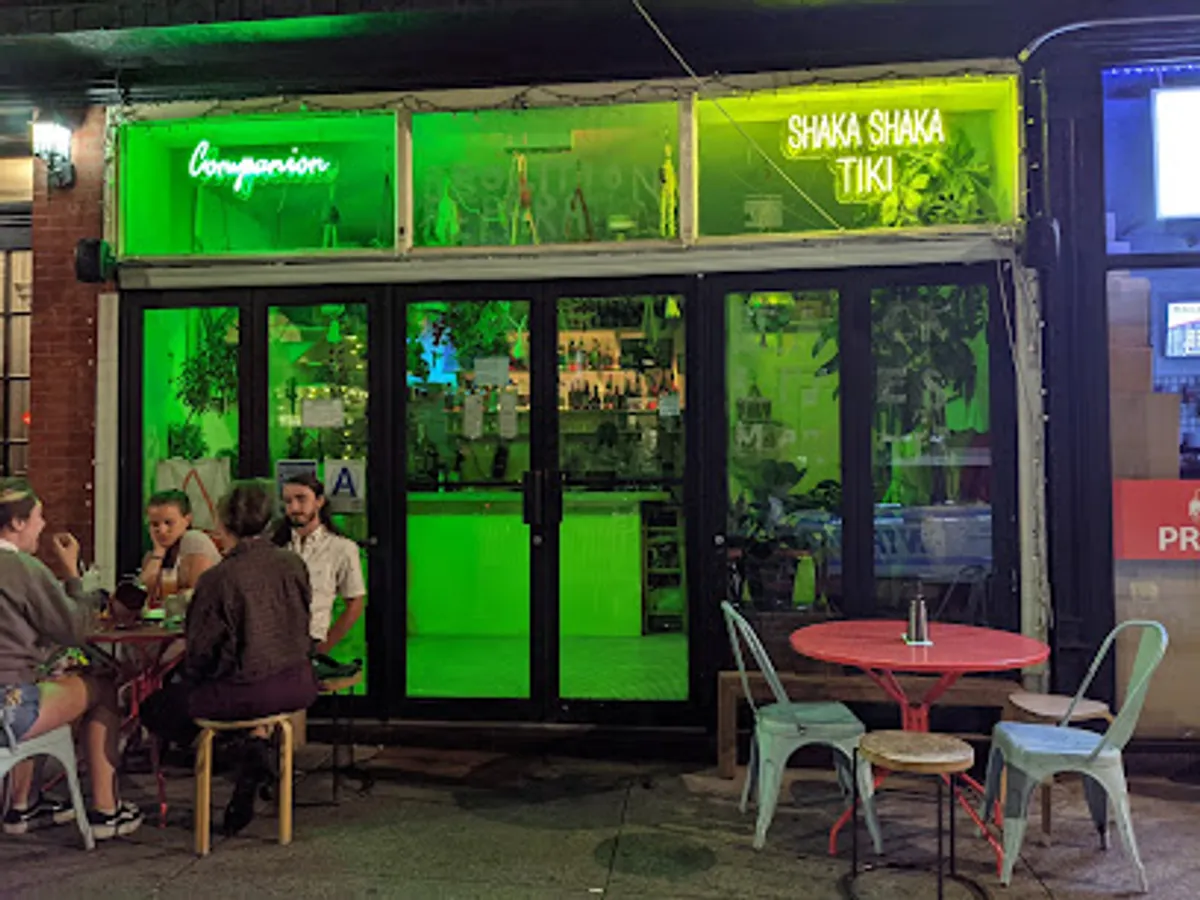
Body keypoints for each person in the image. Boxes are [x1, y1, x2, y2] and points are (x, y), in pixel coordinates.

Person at [142, 479, 318, 835]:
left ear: (222, 524)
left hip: (243, 691)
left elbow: (201, 649)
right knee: (237, 705)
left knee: (155, 708)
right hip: (297, 684)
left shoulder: (218, 579)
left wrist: (193, 675)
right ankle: (253, 746)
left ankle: (235, 753)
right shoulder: (293, 564)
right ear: (269, 519)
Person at [0, 478, 142, 840]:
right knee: (102, 686)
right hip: (9, 705)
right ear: (17, 523)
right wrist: (73, 575)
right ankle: (107, 811)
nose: (42, 525)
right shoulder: (23, 570)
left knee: (43, 683)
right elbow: (75, 627)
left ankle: (23, 806)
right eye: (37, 516)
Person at [272, 473, 365, 656]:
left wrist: (324, 648)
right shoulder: (275, 547)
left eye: (301, 499)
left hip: (312, 640)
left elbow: (355, 603)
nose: (294, 508)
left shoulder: (342, 548)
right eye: (288, 501)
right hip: (273, 641)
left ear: (319, 501)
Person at [139, 490, 221, 603]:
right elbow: (142, 595)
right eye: (155, 524)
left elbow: (197, 594)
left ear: (187, 520)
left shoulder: (194, 540)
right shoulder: (152, 555)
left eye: (168, 523)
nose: (162, 531)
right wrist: (159, 552)